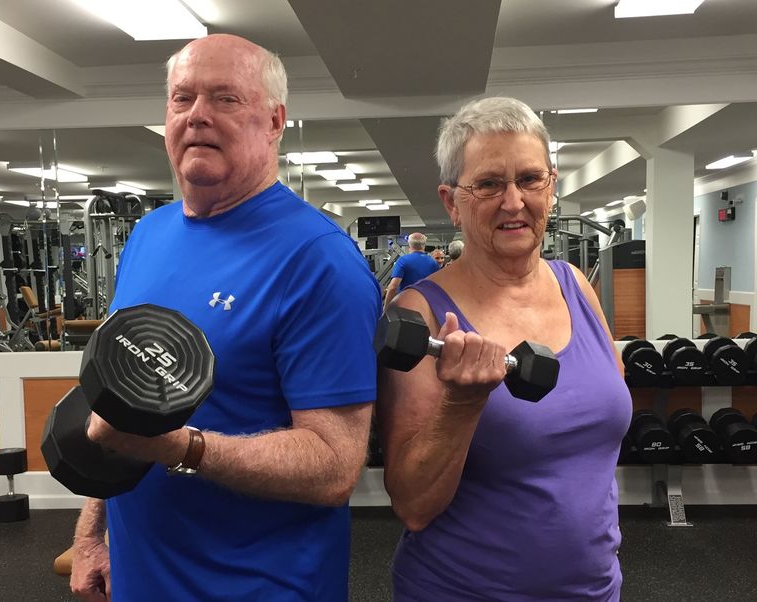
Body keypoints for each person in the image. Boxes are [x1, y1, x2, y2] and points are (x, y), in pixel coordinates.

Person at [70, 34, 381, 602]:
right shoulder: (148, 234)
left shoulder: (320, 260)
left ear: (274, 121)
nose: (197, 115)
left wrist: (179, 447)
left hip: (260, 588)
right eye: (182, 98)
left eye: (225, 98)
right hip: (142, 579)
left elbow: (335, 465)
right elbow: (121, 403)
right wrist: (93, 530)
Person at [376, 96, 631, 601]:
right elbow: (413, 504)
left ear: (551, 186)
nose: (514, 202)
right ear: (452, 202)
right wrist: (462, 403)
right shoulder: (420, 313)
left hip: (594, 590)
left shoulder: (576, 284)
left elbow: (606, 411)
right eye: (489, 184)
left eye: (530, 179)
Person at [383, 232, 440, 312]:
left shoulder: (403, 261)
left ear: (409, 245)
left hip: (406, 308)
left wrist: (386, 309)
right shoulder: (433, 263)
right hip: (426, 308)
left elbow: (393, 287)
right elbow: (438, 288)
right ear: (424, 245)